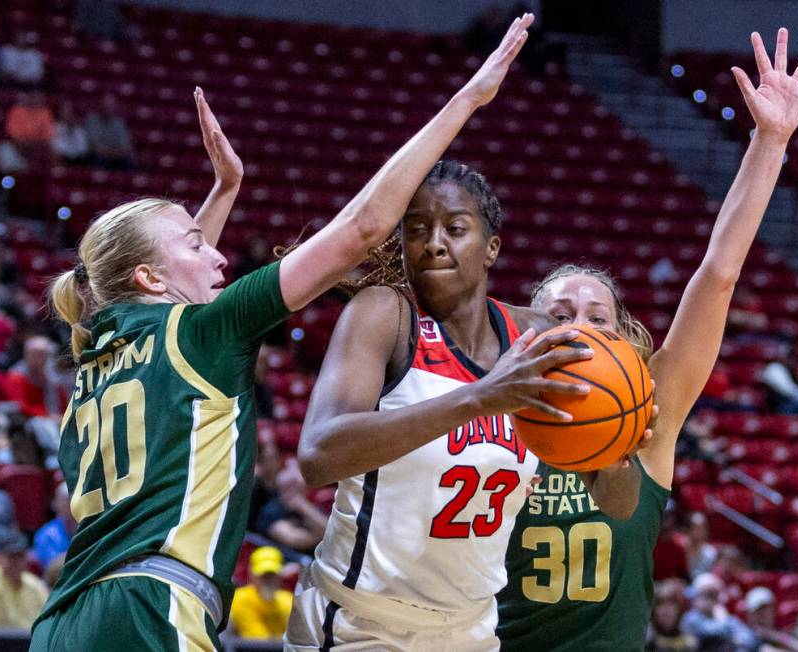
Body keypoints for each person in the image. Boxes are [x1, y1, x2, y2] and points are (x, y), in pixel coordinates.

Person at [30, 19, 541, 650]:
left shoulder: (97, 356)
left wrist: (223, 194)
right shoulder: (204, 332)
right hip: (151, 609)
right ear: (150, 276)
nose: (217, 256)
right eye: (197, 242)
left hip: (63, 619)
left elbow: (168, 294)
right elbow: (362, 228)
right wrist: (470, 98)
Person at [497, 27, 798, 651]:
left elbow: (719, 274)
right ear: (521, 331)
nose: (577, 328)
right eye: (559, 313)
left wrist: (770, 142)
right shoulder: (481, 409)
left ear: (625, 341)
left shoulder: (651, 412)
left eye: (597, 318)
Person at [284, 17, 586, 650]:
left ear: (492, 247)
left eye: (455, 227)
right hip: (358, 623)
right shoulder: (382, 314)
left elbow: (612, 490)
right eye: (417, 228)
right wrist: (478, 399)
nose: (433, 242)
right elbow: (317, 454)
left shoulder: (533, 336)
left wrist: (623, 438)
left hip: (472, 631)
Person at [0, 529, 49, 629]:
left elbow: (47, 623)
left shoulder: (35, 585)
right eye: (11, 557)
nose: (16, 562)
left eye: (20, 556)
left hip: (33, 642)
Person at [256, 463, 327, 557]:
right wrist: (323, 536)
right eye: (293, 487)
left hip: (315, 559)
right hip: (284, 562)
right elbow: (298, 540)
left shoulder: (308, 507)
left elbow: (330, 529)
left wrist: (304, 507)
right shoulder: (271, 511)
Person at [230, 546, 293, 640]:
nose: (268, 580)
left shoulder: (289, 600)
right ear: (252, 575)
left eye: (272, 575)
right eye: (263, 575)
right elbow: (258, 641)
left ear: (280, 576)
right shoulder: (241, 599)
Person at [681, 573, 758, 651]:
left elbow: (749, 638)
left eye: (713, 595)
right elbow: (707, 632)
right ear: (696, 597)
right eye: (705, 595)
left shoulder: (726, 617)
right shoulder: (690, 617)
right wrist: (725, 626)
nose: (709, 600)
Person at [33, 483, 77, 571]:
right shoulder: (45, 535)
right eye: (65, 502)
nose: (70, 507)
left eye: (72, 502)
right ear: (55, 504)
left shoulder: (88, 528)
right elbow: (52, 570)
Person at [85, 94, 135, 169]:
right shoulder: (92, 120)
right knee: (97, 159)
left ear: (114, 107)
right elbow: (95, 146)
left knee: (130, 162)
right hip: (99, 157)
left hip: (116, 157)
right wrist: (113, 151)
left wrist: (112, 152)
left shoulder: (119, 123)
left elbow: (125, 147)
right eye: (105, 106)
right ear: (100, 106)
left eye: (109, 106)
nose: (107, 109)